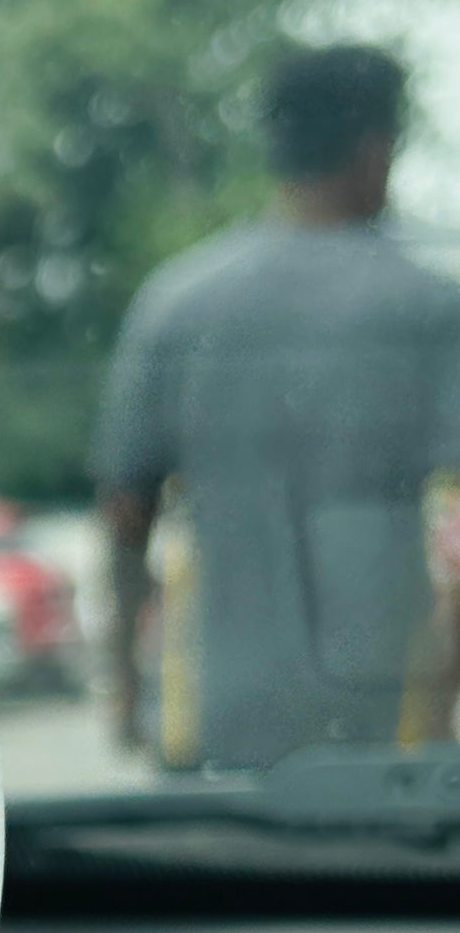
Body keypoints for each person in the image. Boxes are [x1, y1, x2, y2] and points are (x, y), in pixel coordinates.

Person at [94, 44, 460, 770]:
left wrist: (129, 690)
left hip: (211, 726)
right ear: (376, 149)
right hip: (384, 730)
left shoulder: (176, 303)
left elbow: (126, 514)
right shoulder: (430, 306)